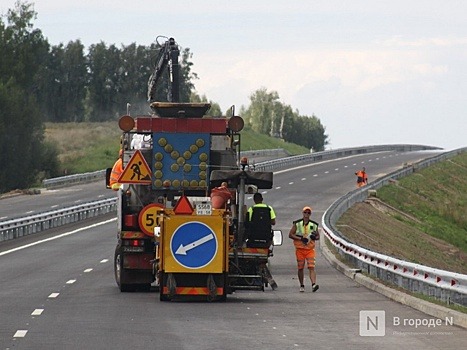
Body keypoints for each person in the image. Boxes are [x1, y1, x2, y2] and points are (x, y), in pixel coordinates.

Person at [288, 206, 320, 293]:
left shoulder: (314, 225)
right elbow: (290, 234)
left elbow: (318, 236)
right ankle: (302, 285)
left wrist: (314, 237)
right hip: (300, 249)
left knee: (311, 267)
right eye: (305, 212)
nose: (306, 214)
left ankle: (313, 284)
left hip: (310, 249)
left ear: (310, 214)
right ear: (303, 213)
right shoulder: (297, 224)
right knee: (300, 268)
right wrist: (300, 238)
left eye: (308, 213)